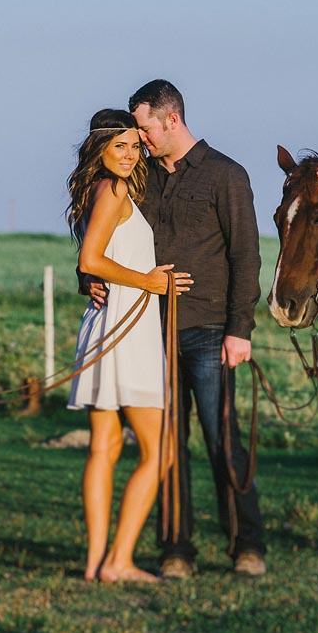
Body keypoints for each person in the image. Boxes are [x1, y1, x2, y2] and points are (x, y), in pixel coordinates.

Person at [91, 81, 267, 577]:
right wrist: (90, 278)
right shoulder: (139, 176)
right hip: (149, 332)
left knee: (221, 440)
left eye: (144, 128)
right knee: (165, 446)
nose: (139, 139)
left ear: (172, 120)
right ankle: (175, 550)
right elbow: (105, 234)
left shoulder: (226, 175)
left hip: (211, 330)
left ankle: (247, 545)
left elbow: (245, 255)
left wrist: (240, 329)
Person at [66, 108, 191, 583]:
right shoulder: (114, 189)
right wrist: (150, 283)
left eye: (135, 147)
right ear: (99, 148)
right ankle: (118, 561)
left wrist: (97, 279)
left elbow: (92, 264)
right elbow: (91, 257)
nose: (130, 155)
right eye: (120, 145)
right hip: (125, 328)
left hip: (103, 322)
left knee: (106, 447)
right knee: (158, 452)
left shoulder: (96, 191)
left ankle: (97, 564)